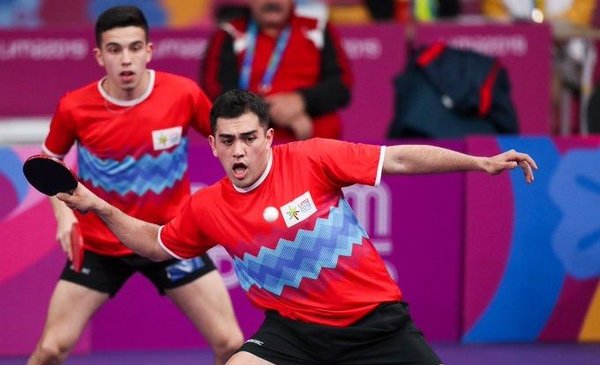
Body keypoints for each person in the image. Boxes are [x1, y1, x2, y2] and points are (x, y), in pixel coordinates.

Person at [57, 89, 537, 365]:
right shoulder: (208, 206)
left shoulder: (312, 158)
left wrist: (480, 163)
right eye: (228, 141)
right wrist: (95, 204)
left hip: (375, 328)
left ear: (268, 138)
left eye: (249, 138)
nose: (239, 151)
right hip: (293, 335)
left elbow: (402, 161)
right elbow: (157, 245)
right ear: (214, 145)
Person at [27, 6, 243, 365]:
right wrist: (65, 218)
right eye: (115, 49)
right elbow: (48, 162)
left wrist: (230, 196)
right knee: (51, 350)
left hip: (168, 238)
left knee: (231, 343)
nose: (126, 59)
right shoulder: (75, 107)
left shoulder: (183, 93)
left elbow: (223, 140)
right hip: (101, 244)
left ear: (149, 51)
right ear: (99, 55)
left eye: (134, 47)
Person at [201, 0, 353, 142]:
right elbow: (216, 92)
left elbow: (341, 86)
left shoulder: (318, 29)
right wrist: (267, 110)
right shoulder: (230, 33)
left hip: (312, 140)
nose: (272, 2)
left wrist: (302, 101)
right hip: (251, 143)